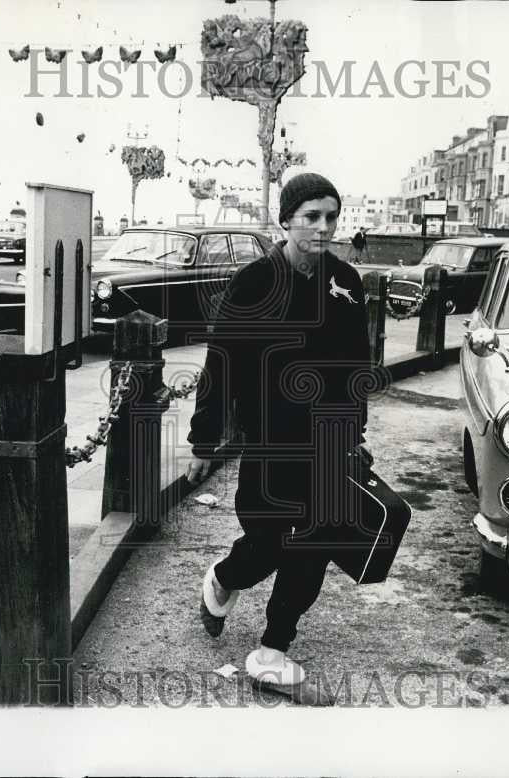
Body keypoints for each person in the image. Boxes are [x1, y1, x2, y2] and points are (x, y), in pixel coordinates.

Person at [186, 172, 373, 706]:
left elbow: (357, 364)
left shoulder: (346, 283)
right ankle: (224, 577)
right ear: (285, 220)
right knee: (267, 543)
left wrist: (354, 431)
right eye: (311, 216)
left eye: (331, 217)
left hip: (330, 436)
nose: (323, 227)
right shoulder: (253, 284)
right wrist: (204, 441)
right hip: (269, 438)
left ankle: (273, 650)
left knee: (316, 542)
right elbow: (220, 365)